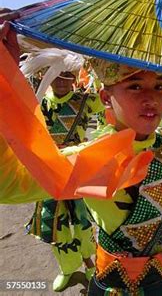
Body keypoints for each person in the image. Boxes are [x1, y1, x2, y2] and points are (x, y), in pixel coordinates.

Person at [0, 20, 162, 294]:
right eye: (135, 87)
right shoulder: (94, 158)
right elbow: (7, 186)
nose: (151, 99)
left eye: (160, 87)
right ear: (105, 96)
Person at [19, 49, 105, 291]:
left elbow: (113, 99)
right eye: (56, 75)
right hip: (47, 174)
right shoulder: (37, 103)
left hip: (76, 172)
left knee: (83, 222)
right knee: (55, 226)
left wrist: (102, 66)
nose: (60, 81)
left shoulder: (84, 102)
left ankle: (91, 265)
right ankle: (67, 269)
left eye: (66, 76)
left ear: (73, 78)